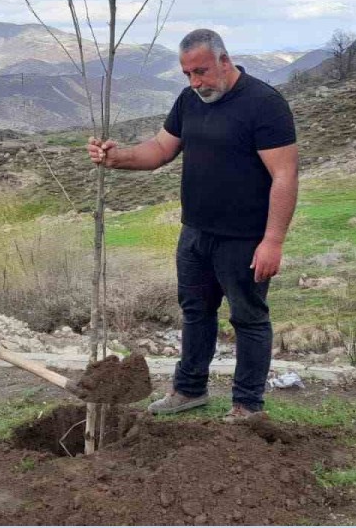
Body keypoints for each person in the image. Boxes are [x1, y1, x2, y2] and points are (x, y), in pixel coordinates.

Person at [87, 28, 298, 423]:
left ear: (224, 59)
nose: (195, 82)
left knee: (248, 319)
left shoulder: (264, 104)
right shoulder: (189, 100)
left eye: (200, 72)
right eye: (187, 74)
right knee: (195, 311)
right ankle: (189, 390)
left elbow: (285, 176)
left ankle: (247, 405)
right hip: (196, 233)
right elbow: (161, 149)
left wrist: (273, 240)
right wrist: (119, 157)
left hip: (245, 239)